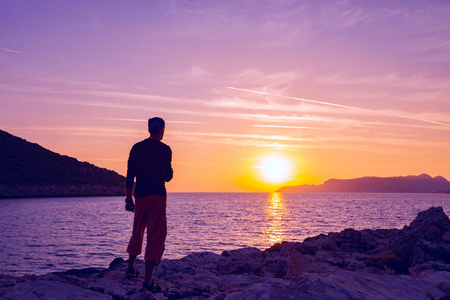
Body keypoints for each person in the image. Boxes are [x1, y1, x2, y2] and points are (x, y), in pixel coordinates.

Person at [124, 117, 173, 293]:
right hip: (157, 196)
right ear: (162, 130)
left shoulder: (136, 148)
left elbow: (130, 175)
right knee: (155, 236)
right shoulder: (164, 149)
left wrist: (128, 198)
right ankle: (147, 281)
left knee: (137, 230)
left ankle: (130, 268)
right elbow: (168, 176)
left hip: (140, 196)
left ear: (148, 129)